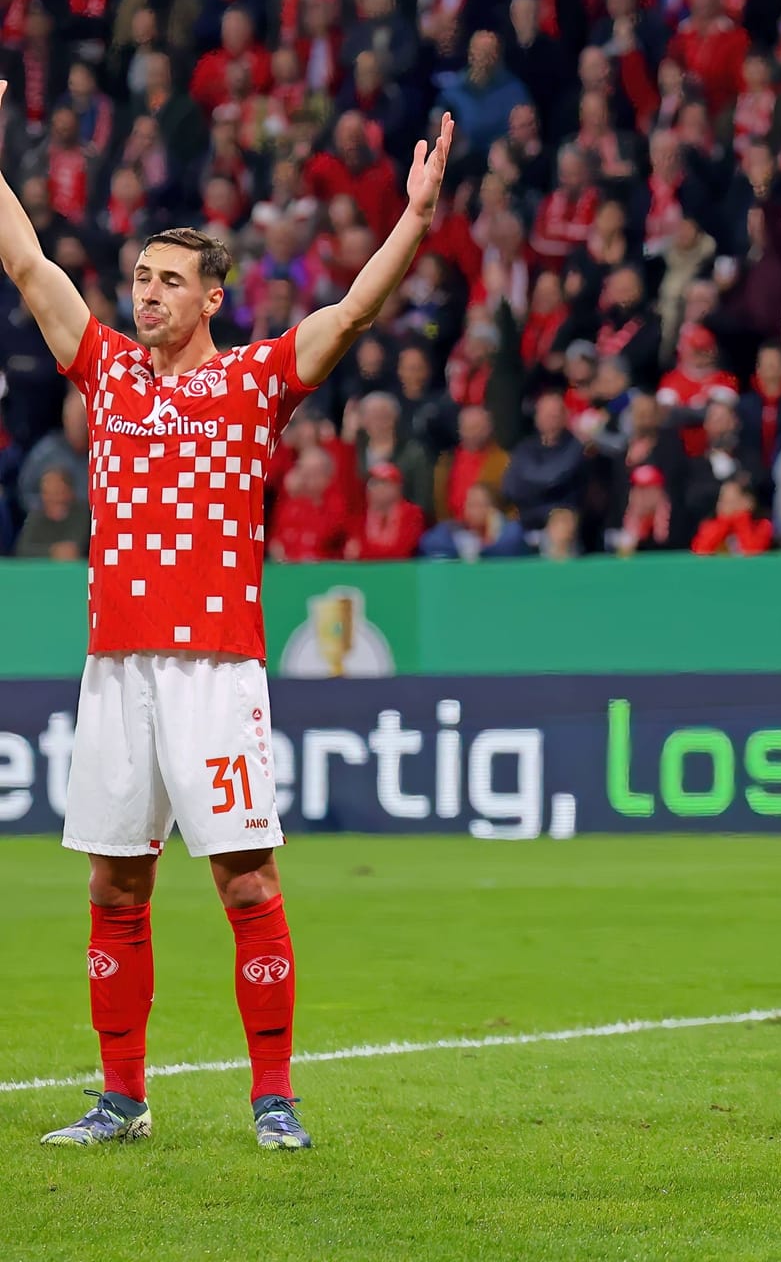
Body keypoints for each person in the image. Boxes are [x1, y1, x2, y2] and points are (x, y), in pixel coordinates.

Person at [6, 78, 457, 1149]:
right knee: (115, 882)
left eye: (168, 281)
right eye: (140, 279)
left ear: (214, 296)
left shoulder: (258, 382)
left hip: (215, 667)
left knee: (246, 876)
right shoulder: (108, 373)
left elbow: (353, 312)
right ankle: (122, 1098)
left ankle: (273, 1095)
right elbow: (25, 261)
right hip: (115, 664)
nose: (146, 294)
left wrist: (417, 221)